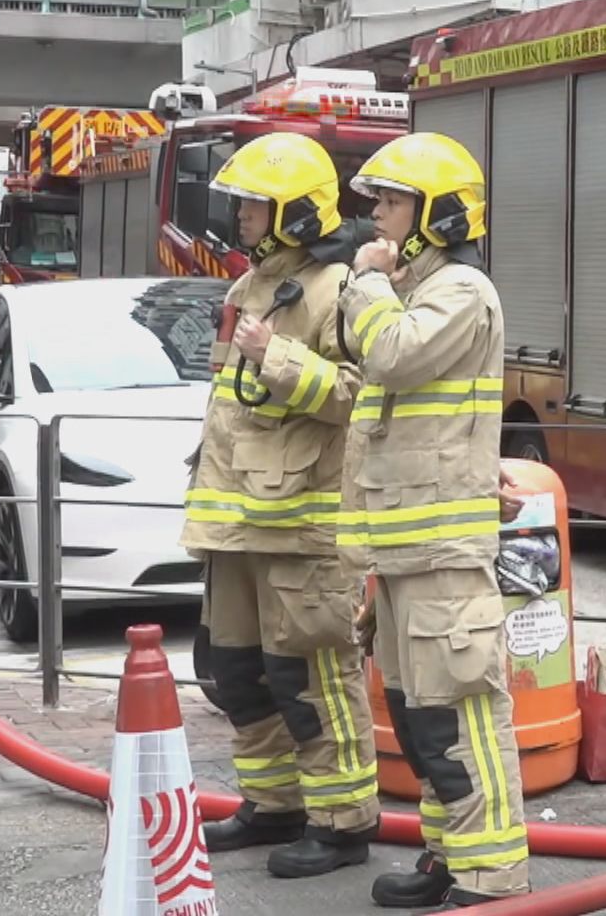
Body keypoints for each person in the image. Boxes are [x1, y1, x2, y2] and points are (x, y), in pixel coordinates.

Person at [337, 132, 529, 909]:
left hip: (443, 554)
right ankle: (448, 858)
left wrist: (365, 282)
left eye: (390, 202)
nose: (377, 217)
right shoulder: (421, 290)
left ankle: (492, 880)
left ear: (437, 215)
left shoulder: (458, 292)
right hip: (408, 547)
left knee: (463, 720)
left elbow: (392, 354)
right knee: (423, 725)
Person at [182, 131, 381, 878]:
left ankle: (341, 822)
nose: (240, 217)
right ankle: (273, 805)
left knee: (310, 678)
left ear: (294, 211)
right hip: (236, 517)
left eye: (255, 205)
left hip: (301, 522)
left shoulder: (339, 290)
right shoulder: (248, 287)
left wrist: (279, 356)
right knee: (235, 672)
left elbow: (360, 398)